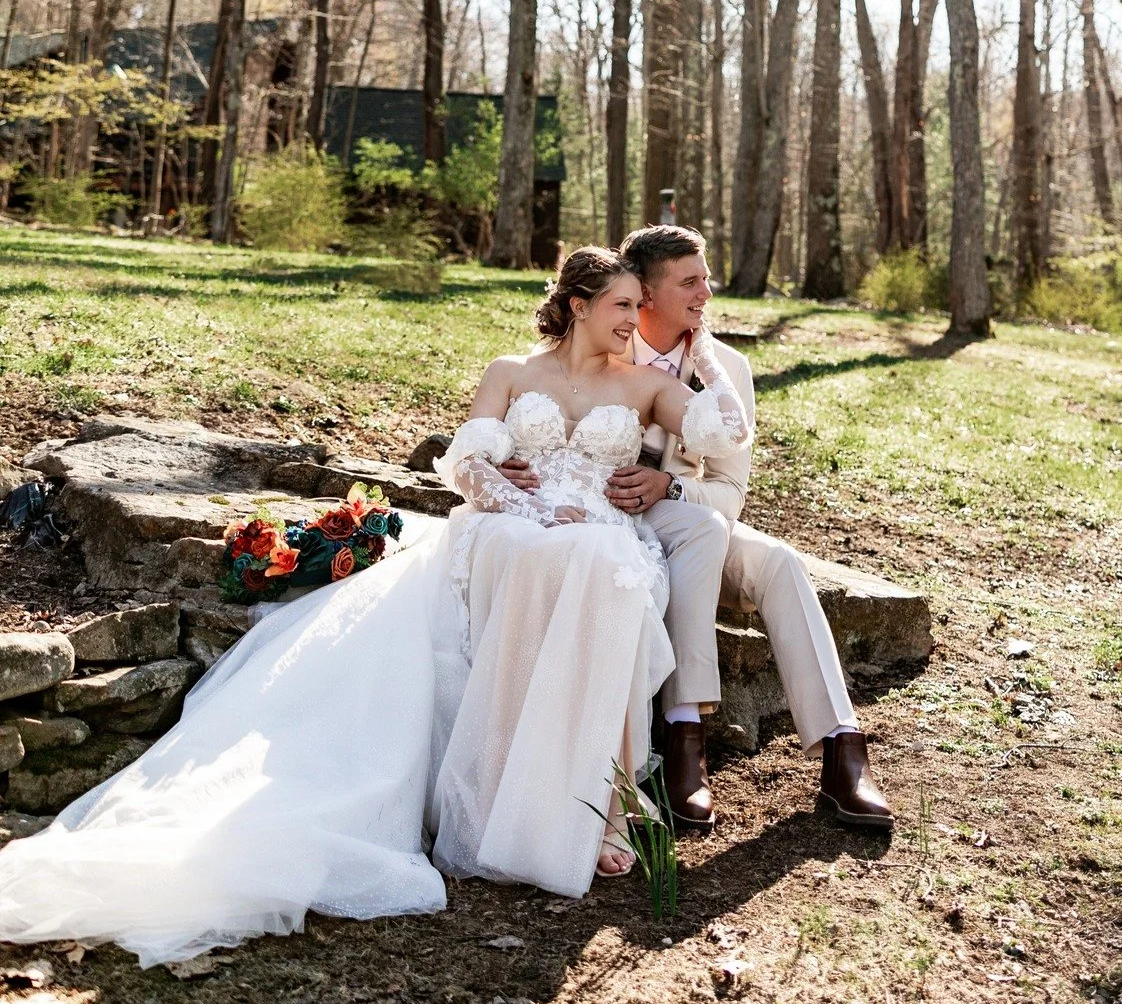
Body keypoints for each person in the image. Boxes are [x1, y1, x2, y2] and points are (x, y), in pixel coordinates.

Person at [0, 248, 751, 967]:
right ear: (579, 305)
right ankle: (500, 807)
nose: (636, 318)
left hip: (596, 536)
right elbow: (465, 461)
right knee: (538, 555)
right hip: (511, 527)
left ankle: (595, 813)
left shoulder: (647, 386)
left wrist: (703, 346)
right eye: (623, 304)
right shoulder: (512, 371)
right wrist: (515, 504)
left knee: (593, 564)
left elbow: (726, 433)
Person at [499, 225, 892, 832]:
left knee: (779, 562)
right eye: (690, 281)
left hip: (689, 515)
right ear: (643, 294)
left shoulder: (726, 367)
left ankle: (843, 751)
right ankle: (686, 741)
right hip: (596, 516)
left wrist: (669, 486)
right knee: (701, 533)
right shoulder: (605, 339)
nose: (706, 293)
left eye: (705, 278)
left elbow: (730, 491)